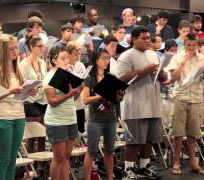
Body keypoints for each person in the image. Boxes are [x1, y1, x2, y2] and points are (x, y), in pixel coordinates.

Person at [115, 26, 166, 180]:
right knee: (134, 141)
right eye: (143, 38)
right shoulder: (126, 56)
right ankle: (128, 170)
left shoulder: (153, 54)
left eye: (148, 38)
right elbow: (121, 78)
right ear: (134, 39)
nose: (147, 41)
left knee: (149, 139)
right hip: (135, 106)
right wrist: (144, 71)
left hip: (153, 103)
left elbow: (162, 79)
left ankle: (144, 166)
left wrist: (161, 73)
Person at [0, 34, 34, 180]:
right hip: (2, 118)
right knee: (4, 161)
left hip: (18, 116)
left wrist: (27, 91)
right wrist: (10, 91)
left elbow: (18, 96)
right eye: (11, 49)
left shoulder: (17, 68)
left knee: (13, 160)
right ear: (3, 51)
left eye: (15, 48)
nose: (15, 51)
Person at [167, 33, 204, 175]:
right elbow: (173, 77)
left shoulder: (202, 58)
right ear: (184, 45)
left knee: (193, 133)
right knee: (178, 133)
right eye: (189, 45)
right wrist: (184, 61)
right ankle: (176, 162)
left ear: (197, 44)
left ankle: (193, 163)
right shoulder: (177, 57)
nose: (191, 48)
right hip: (181, 97)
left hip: (196, 98)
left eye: (194, 45)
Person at [83, 49, 123, 180]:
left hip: (111, 117)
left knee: (109, 150)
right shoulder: (90, 79)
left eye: (108, 58)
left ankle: (110, 177)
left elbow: (117, 99)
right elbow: (86, 99)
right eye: (104, 58)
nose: (107, 61)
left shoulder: (110, 77)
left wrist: (119, 96)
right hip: (96, 119)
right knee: (91, 151)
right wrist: (100, 95)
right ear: (96, 60)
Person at [43, 47, 80, 180]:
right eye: (62, 58)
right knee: (58, 157)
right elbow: (52, 101)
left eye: (67, 58)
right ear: (54, 61)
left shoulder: (68, 75)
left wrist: (77, 90)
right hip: (56, 121)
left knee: (67, 155)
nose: (66, 61)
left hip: (70, 118)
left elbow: (73, 98)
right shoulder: (49, 77)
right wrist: (69, 94)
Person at [20, 36, 48, 173]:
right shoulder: (23, 64)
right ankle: (28, 168)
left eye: (43, 46)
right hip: (30, 100)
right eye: (39, 46)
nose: (42, 49)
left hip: (42, 99)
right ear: (32, 47)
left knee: (42, 134)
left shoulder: (43, 63)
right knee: (31, 136)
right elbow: (21, 83)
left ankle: (40, 166)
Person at [66, 41, 86, 133]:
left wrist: (81, 86)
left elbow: (85, 81)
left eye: (78, 54)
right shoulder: (65, 67)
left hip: (80, 105)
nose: (77, 57)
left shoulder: (80, 65)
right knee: (71, 133)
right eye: (75, 54)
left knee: (80, 131)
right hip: (69, 105)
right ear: (68, 54)